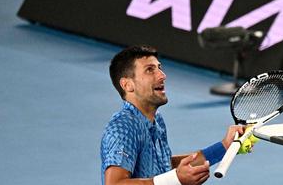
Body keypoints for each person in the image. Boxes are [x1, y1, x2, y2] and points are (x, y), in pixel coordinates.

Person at [101, 45, 245, 185]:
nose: (162, 76)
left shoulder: (156, 120)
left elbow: (163, 167)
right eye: (150, 70)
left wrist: (225, 146)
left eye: (159, 68)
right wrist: (175, 180)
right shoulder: (123, 127)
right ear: (127, 85)